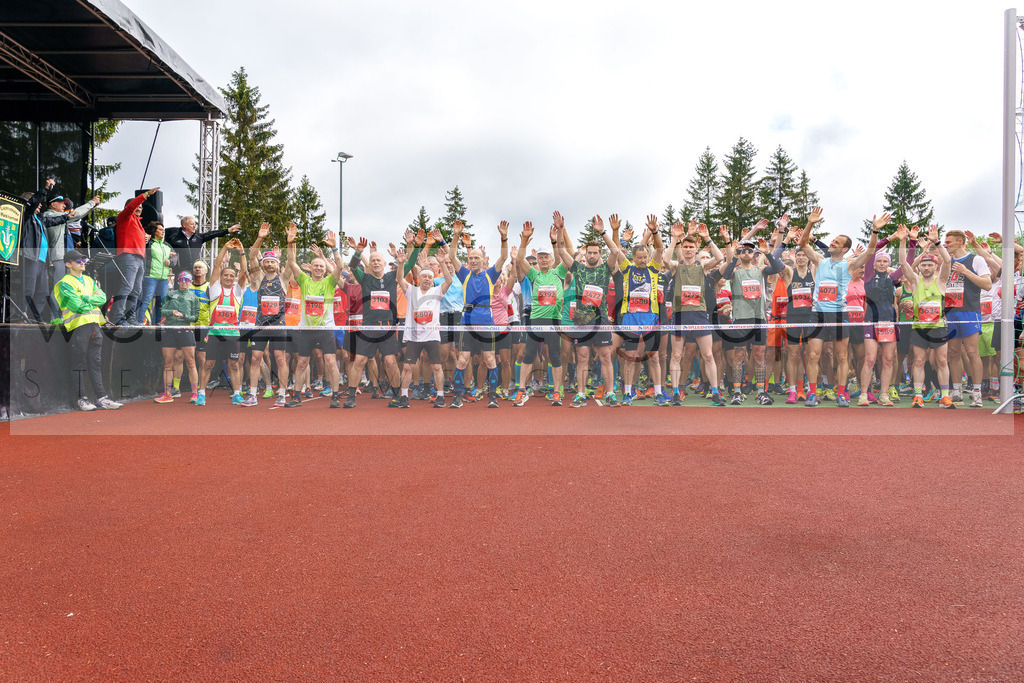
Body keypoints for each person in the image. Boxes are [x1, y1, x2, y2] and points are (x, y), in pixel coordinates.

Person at [343, 232, 420, 408]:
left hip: (387, 329)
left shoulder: (392, 277)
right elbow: (353, 268)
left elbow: (409, 265)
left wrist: (414, 246)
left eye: (379, 260)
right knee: (359, 361)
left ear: (385, 264)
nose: (376, 263)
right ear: (369, 265)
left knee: (390, 362)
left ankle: (397, 395)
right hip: (368, 328)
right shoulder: (366, 279)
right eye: (373, 261)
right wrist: (357, 252)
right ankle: (351, 396)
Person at [556, 214, 621, 407]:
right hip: (582, 320)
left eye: (595, 253)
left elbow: (616, 251)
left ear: (599, 254)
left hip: (600, 320)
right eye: (589, 253)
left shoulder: (605, 269)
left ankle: (610, 393)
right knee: (582, 357)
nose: (592, 256)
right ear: (585, 255)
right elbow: (560, 252)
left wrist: (602, 232)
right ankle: (581, 394)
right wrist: (560, 229)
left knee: (605, 356)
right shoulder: (578, 269)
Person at [721, 219, 785, 405]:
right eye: (743, 251)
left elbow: (779, 268)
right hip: (741, 318)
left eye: (750, 250)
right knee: (738, 355)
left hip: (759, 319)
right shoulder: (735, 271)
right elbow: (725, 274)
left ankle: (761, 391)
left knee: (759, 355)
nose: (747, 253)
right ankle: (737, 391)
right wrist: (734, 255)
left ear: (754, 254)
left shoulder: (761, 269)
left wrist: (767, 253)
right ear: (740, 254)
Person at [664, 221, 727, 406]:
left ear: (696, 248)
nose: (688, 250)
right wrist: (675, 238)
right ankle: (676, 392)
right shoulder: (677, 266)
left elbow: (719, 257)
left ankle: (715, 393)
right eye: (685, 247)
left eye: (691, 247)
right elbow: (665, 261)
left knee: (708, 355)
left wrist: (708, 238)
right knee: (677, 356)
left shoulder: (702, 267)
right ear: (681, 249)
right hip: (680, 315)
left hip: (699, 315)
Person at [797, 206, 855, 407]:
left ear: (844, 249)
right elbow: (803, 243)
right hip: (818, 314)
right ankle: (812, 393)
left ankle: (841, 394)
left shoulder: (848, 265)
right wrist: (811, 222)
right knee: (813, 355)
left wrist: (874, 232)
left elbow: (870, 255)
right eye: (832, 240)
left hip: (839, 314)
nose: (832, 242)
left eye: (837, 242)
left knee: (841, 356)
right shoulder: (820, 261)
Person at [448, 219, 509, 409]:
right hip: (467, 323)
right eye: (471, 258)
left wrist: (504, 238)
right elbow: (451, 255)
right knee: (462, 359)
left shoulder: (490, 274)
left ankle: (492, 397)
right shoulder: (464, 274)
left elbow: (504, 257)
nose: (473, 261)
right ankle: (457, 396)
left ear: (483, 260)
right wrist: (456, 235)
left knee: (490, 359)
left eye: (477, 258)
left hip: (486, 322)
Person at [284, 223, 346, 407]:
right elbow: (291, 263)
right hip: (307, 329)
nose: (319, 268)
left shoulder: (329, 281)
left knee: (330, 361)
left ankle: (335, 396)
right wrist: (289, 243)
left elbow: (340, 266)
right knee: (302, 362)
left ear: (325, 269)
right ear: (310, 268)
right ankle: (296, 396)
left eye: (321, 266)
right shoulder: (303, 280)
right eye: (315, 266)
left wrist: (334, 248)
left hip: (325, 329)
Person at [51, 249, 122, 411]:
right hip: (78, 327)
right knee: (79, 364)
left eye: (83, 260)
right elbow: (76, 306)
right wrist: (92, 300)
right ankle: (81, 399)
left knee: (95, 364)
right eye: (78, 261)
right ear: (68, 264)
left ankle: (101, 398)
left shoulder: (89, 280)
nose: (82, 263)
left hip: (95, 327)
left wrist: (86, 298)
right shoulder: (64, 283)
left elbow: (103, 298)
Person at [513, 218, 568, 406]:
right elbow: (519, 260)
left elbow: (562, 254)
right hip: (536, 319)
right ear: (538, 260)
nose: (544, 259)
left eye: (546, 257)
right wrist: (524, 240)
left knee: (554, 356)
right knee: (528, 354)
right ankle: (521, 390)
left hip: (554, 320)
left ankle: (556, 393)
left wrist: (558, 235)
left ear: (551, 260)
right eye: (541, 257)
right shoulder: (534, 274)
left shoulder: (558, 272)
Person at [612, 214, 666, 406]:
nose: (643, 260)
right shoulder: (627, 269)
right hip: (630, 319)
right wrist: (616, 231)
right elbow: (617, 250)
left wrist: (655, 232)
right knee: (630, 357)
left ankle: (658, 393)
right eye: (640, 258)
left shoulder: (653, 269)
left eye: (645, 257)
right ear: (633, 258)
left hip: (651, 318)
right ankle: (628, 392)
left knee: (654, 357)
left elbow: (659, 249)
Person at [899, 227, 955, 408]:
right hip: (919, 328)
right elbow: (903, 264)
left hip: (938, 327)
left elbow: (948, 260)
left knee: (941, 361)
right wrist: (903, 241)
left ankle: (945, 396)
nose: (926, 267)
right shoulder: (915, 282)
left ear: (935, 266)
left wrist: (937, 242)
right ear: (920, 267)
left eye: (930, 265)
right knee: (919, 361)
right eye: (923, 265)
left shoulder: (941, 281)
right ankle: (918, 395)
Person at [397, 250, 454, 407]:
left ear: (432, 279)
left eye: (430, 277)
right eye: (424, 276)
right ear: (419, 278)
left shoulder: (437, 291)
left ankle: (440, 396)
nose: (427, 279)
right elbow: (399, 279)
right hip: (413, 337)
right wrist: (401, 263)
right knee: (408, 366)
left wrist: (442, 263)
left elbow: (448, 282)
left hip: (432, 336)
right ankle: (403, 397)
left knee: (436, 366)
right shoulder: (411, 291)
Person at [243, 223, 292, 407]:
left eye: (273, 261)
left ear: (276, 264)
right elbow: (251, 256)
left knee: (280, 359)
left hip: (278, 325)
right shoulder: (258, 278)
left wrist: (290, 242)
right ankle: (253, 394)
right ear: (264, 263)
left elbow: (291, 260)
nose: (269, 263)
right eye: (267, 261)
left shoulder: (283, 278)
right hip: (260, 326)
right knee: (255, 358)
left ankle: (281, 393)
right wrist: (260, 238)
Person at [943, 229, 992, 407]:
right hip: (950, 312)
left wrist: (965, 271)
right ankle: (956, 390)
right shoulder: (946, 261)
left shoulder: (976, 260)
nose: (946, 245)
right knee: (953, 352)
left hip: (970, 310)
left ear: (960, 242)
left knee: (972, 352)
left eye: (948, 242)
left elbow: (987, 284)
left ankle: (977, 392)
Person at [195, 239, 247, 406]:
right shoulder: (215, 289)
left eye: (232, 276)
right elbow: (217, 266)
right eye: (226, 275)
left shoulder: (238, 291)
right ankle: (201, 394)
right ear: (221, 277)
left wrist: (241, 252)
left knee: (234, 364)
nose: (229, 278)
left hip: (232, 334)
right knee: (208, 363)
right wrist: (225, 247)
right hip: (215, 334)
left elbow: (244, 272)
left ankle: (237, 394)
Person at [108, 187, 159, 325]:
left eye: (141, 207)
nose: (139, 208)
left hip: (140, 258)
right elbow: (131, 207)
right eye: (137, 206)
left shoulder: (139, 223)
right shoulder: (124, 217)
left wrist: (146, 237)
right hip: (128, 256)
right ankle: (117, 317)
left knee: (137, 290)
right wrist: (146, 195)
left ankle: (130, 317)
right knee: (127, 286)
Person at [154, 272, 199, 403]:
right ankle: (167, 394)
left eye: (187, 280)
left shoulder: (193, 297)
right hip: (170, 330)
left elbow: (195, 317)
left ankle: (195, 393)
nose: (184, 282)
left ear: (191, 282)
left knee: (191, 362)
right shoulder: (169, 294)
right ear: (178, 281)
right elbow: (161, 310)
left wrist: (183, 316)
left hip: (186, 330)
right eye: (182, 279)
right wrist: (171, 312)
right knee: (168, 363)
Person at [164, 215, 241, 274]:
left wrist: (228, 230)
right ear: (184, 225)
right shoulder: (175, 237)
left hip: (195, 272)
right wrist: (169, 253)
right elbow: (164, 245)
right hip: (180, 272)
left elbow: (212, 234)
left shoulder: (198, 237)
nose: (194, 226)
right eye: (191, 224)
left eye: (195, 224)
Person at [136, 221, 175, 325]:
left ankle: (157, 323)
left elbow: (176, 258)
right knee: (146, 300)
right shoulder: (149, 243)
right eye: (160, 230)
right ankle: (139, 321)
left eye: (163, 230)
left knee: (161, 302)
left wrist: (170, 261)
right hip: (150, 276)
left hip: (163, 278)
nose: (163, 232)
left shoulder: (167, 245)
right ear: (154, 231)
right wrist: (146, 237)